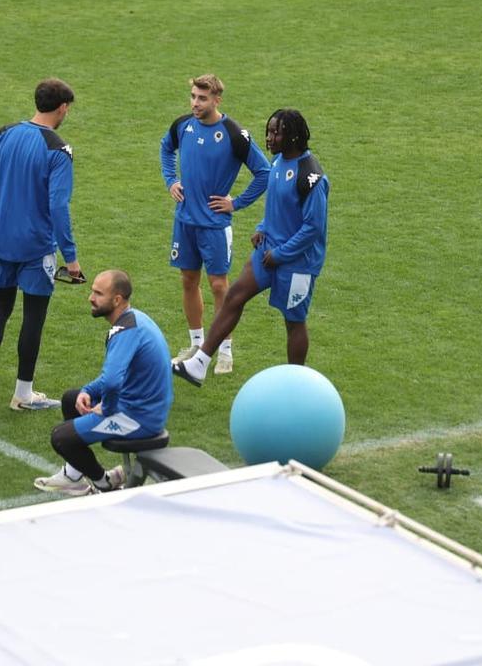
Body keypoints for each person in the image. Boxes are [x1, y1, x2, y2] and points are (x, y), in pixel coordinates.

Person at [173, 109, 328, 387]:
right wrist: (262, 227)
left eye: (276, 133)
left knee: (294, 321)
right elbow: (277, 207)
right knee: (234, 296)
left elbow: (313, 228)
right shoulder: (278, 162)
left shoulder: (311, 176)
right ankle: (199, 364)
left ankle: (296, 384)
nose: (269, 138)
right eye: (269, 131)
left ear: (293, 136)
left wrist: (280, 254)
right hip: (267, 252)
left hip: (297, 263)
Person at [0, 78, 81, 411]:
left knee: (0, 308)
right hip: (35, 246)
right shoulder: (58, 150)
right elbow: (58, 206)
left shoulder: (5, 134)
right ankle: (23, 394)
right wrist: (71, 258)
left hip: (0, 241)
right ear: (63, 108)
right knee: (33, 316)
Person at [160, 74, 270, 375]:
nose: (195, 103)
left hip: (214, 225)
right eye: (193, 97)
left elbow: (264, 172)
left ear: (217, 100)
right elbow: (166, 148)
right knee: (188, 280)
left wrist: (236, 203)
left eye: (202, 98)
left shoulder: (234, 134)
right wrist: (171, 180)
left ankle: (224, 351)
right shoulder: (183, 125)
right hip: (185, 221)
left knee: (219, 285)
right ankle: (196, 344)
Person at [35, 269, 173, 496]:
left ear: (116, 300)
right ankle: (72, 476)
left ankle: (104, 484)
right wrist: (88, 391)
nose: (91, 298)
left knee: (61, 438)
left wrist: (107, 408)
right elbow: (113, 378)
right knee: (72, 399)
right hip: (145, 408)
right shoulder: (133, 320)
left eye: (98, 294)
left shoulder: (124, 332)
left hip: (139, 418)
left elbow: (112, 382)